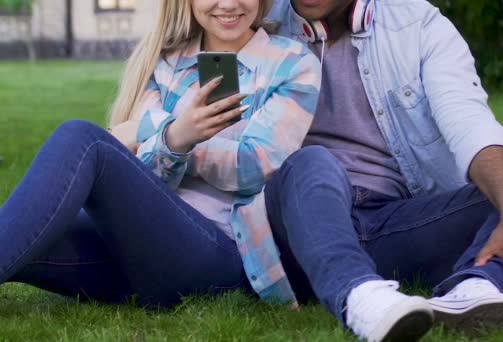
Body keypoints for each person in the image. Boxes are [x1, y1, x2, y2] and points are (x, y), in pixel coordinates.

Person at [258, 0, 503, 340]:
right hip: (304, 224)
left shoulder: (417, 23)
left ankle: (475, 288)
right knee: (312, 161)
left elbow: (469, 123)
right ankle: (358, 298)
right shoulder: (257, 22)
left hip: (393, 223)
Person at [0, 0, 320, 307]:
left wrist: (168, 135)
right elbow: (144, 173)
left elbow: (253, 166)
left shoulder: (292, 64)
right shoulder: (167, 62)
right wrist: (174, 137)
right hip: (140, 245)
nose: (228, 3)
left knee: (83, 139)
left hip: (215, 251)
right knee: (27, 229)